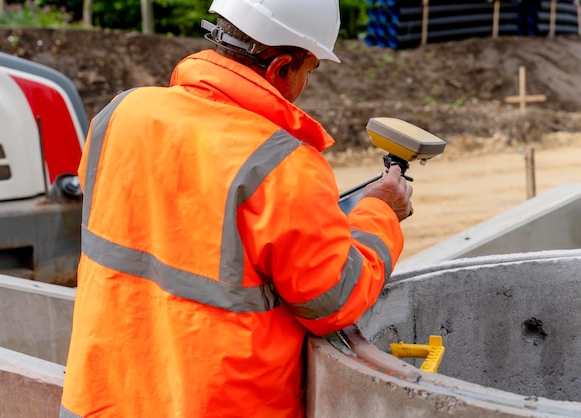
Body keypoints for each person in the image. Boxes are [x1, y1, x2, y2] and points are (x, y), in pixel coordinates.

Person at [59, 0, 412, 416]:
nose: (305, 85)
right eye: (308, 70)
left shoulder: (121, 113)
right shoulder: (284, 165)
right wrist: (380, 211)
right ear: (281, 67)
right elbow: (332, 300)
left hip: (100, 401)